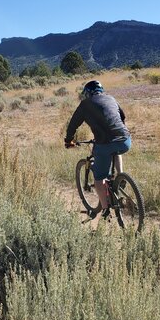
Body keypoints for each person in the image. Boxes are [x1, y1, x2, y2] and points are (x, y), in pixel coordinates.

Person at [64, 80, 131, 217]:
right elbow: (122, 117)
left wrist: (68, 140)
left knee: (99, 178)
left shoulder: (84, 105)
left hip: (104, 144)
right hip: (125, 140)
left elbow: (73, 125)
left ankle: (105, 209)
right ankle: (120, 175)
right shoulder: (111, 98)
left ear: (87, 93)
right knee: (116, 149)